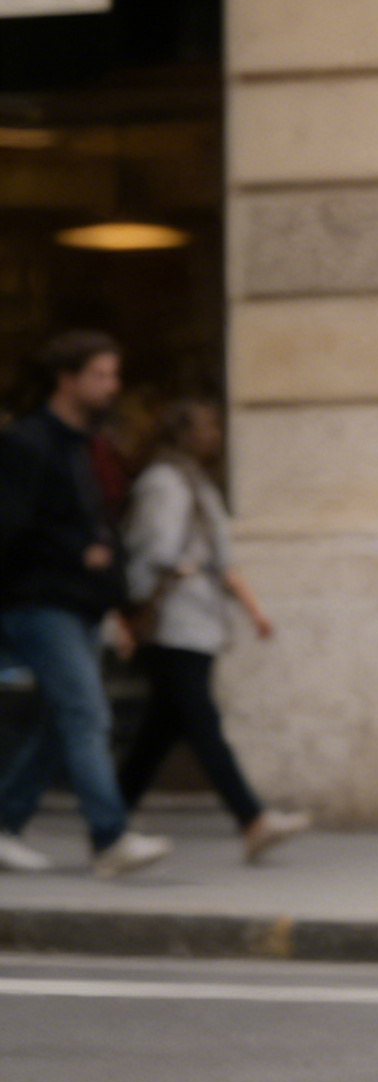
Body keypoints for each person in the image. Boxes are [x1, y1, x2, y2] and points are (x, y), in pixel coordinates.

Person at [0, 332, 170, 878]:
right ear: (66, 378)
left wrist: (114, 589)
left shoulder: (85, 445)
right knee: (86, 713)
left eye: (114, 375)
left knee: (62, 720)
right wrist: (81, 551)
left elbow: (100, 526)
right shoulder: (28, 443)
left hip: (81, 602)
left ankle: (5, 822)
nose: (111, 387)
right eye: (100, 375)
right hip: (39, 601)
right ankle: (109, 836)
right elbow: (11, 527)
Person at [118, 400, 310, 861]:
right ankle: (252, 819)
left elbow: (223, 559)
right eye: (205, 425)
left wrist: (253, 610)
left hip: (198, 619)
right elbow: (151, 551)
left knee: (160, 729)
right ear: (180, 431)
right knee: (201, 723)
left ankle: (108, 816)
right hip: (172, 622)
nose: (214, 434)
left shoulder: (196, 482)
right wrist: (130, 611)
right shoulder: (164, 482)